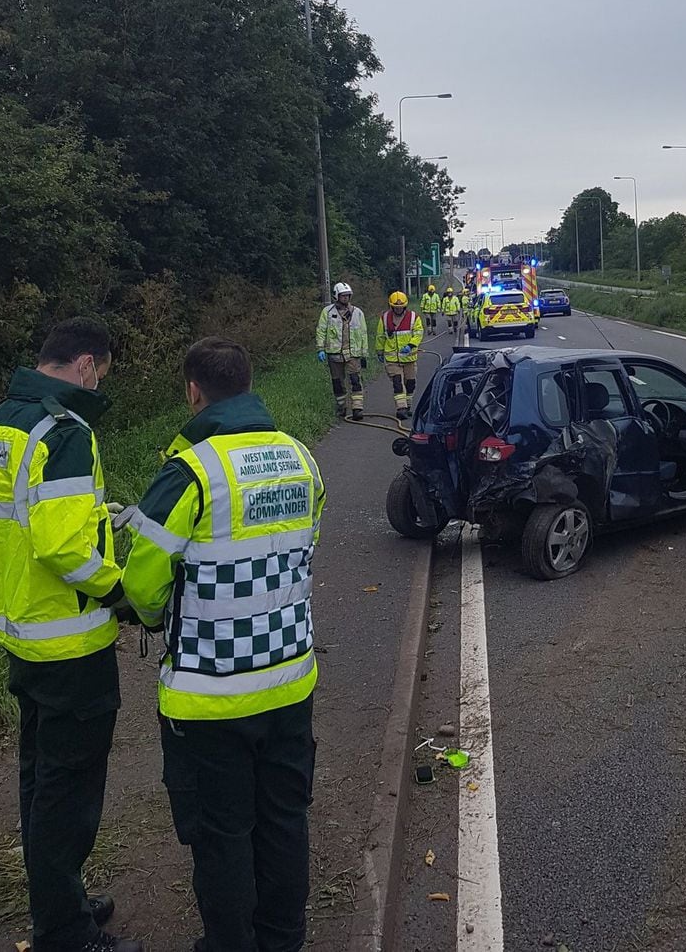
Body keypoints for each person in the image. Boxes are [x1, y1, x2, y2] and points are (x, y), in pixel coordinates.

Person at [122, 338, 326, 952]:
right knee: (285, 822)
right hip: (291, 681)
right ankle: (283, 939)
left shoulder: (191, 470)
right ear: (250, 382)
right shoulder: (301, 458)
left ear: (193, 392)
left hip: (208, 699)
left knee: (223, 835)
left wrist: (155, 611)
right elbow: (302, 546)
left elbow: (143, 583)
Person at [0, 318, 141, 952]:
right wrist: (119, 591)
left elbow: (2, 526)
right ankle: (64, 931)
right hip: (71, 644)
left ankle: (57, 897)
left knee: (40, 779)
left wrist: (100, 516)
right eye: (104, 373)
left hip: (20, 630)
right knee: (69, 790)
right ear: (87, 364)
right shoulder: (64, 431)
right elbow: (64, 546)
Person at [315, 282, 368, 421]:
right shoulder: (327, 312)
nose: (345, 298)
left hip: (353, 354)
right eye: (342, 295)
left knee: (355, 380)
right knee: (337, 382)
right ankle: (341, 407)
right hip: (334, 354)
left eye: (347, 295)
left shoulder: (357, 313)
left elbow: (363, 334)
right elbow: (321, 330)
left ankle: (357, 409)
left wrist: (364, 354)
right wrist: (320, 349)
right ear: (336, 296)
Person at [375, 291, 424, 420]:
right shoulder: (384, 319)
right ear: (391, 306)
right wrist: (379, 351)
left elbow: (418, 333)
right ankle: (400, 408)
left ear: (405, 306)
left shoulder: (413, 318)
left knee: (410, 383)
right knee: (397, 383)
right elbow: (380, 337)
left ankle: (407, 406)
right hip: (392, 359)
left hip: (409, 358)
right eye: (395, 307)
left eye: (400, 307)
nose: (398, 309)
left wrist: (411, 345)